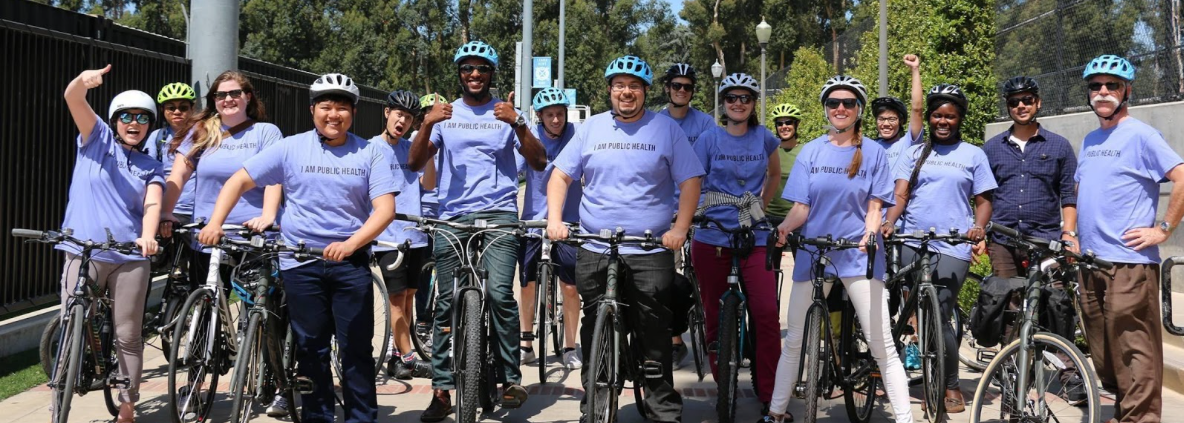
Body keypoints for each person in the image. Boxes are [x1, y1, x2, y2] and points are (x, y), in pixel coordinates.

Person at [196, 73, 400, 423]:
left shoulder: (370, 153)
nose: (333, 114)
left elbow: (385, 210)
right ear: (312, 110)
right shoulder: (291, 146)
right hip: (299, 263)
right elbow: (238, 180)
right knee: (311, 350)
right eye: (325, 107)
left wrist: (351, 244)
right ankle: (318, 417)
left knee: (355, 351)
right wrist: (215, 222)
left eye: (341, 108)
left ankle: (361, 418)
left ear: (353, 112)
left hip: (349, 264)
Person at [546, 55, 704, 423]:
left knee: (654, 329)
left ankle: (661, 407)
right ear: (609, 90)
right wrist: (555, 220)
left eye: (634, 86)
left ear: (646, 92)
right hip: (596, 246)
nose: (626, 92)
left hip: (649, 248)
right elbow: (559, 177)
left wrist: (679, 229)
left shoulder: (665, 130)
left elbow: (691, 180)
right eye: (619, 85)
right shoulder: (590, 129)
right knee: (594, 324)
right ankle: (596, 403)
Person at [406, 40, 547, 422]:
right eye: (467, 68)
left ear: (491, 74)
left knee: (501, 294)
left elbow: (538, 162)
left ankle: (509, 380)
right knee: (446, 303)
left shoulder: (506, 113)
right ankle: (441, 391)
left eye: (481, 68)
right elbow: (415, 162)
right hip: (452, 217)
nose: (474, 74)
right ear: (459, 73)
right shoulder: (444, 114)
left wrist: (517, 122)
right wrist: (428, 124)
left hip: (500, 214)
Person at [764, 74, 913, 423]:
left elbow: (876, 207)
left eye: (848, 103)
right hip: (815, 254)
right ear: (826, 109)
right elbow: (801, 207)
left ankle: (906, 418)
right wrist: (784, 229)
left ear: (858, 109)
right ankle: (776, 413)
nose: (841, 108)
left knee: (882, 346)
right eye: (834, 103)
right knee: (795, 341)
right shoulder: (812, 151)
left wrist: (869, 234)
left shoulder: (874, 152)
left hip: (858, 254)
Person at [1075, 54, 1184, 423]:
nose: (1102, 92)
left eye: (1112, 86)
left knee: (1135, 350)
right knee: (1104, 353)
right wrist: (1071, 233)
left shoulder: (1141, 134)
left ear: (1126, 91)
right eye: (1095, 86)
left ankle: (1142, 419)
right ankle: (1126, 412)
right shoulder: (1091, 139)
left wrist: (1163, 229)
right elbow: (1081, 191)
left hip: (1129, 262)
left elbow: (1182, 177)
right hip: (1090, 261)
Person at [59, 64, 163, 423]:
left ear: (149, 125)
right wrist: (81, 82)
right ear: (115, 120)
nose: (134, 123)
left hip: (130, 257)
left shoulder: (152, 165)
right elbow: (73, 99)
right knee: (70, 321)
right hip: (83, 250)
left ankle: (127, 406)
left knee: (127, 334)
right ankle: (64, 389)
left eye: (142, 118)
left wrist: (148, 235)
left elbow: (152, 204)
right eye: (126, 117)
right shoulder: (96, 138)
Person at [882, 83, 995, 414]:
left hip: (953, 244)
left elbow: (984, 199)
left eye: (950, 116)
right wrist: (889, 222)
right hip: (911, 240)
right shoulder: (915, 153)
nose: (942, 121)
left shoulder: (973, 154)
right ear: (930, 118)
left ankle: (951, 383)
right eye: (937, 115)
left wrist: (979, 227)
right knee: (915, 310)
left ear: (959, 119)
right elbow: (901, 195)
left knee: (940, 313)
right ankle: (902, 348)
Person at [980, 75, 1088, 402]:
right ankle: (1013, 372)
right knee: (1008, 307)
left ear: (1038, 103)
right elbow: (983, 196)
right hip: (1002, 238)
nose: (1021, 106)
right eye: (1014, 102)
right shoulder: (992, 148)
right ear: (1008, 107)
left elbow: (1069, 196)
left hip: (1046, 240)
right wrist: (980, 234)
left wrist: (1069, 234)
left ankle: (1070, 374)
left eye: (1027, 100)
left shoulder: (1058, 146)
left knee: (1057, 302)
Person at [689, 72, 781, 414]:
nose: (738, 104)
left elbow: (773, 174)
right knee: (714, 316)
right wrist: (690, 217)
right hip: (711, 235)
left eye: (745, 98)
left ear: (754, 104)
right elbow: (692, 180)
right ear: (723, 104)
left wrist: (761, 206)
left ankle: (772, 394)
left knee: (767, 315)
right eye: (732, 98)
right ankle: (723, 384)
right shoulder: (709, 139)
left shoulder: (765, 138)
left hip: (753, 236)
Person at [161, 71, 284, 288]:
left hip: (253, 234)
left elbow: (274, 179)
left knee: (259, 310)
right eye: (220, 95)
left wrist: (268, 216)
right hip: (208, 234)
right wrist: (165, 213)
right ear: (214, 100)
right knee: (205, 309)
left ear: (248, 96)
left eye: (234, 93)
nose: (228, 99)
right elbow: (178, 175)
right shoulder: (201, 132)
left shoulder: (266, 132)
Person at [516, 87, 585, 370]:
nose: (556, 120)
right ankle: (526, 342)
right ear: (540, 117)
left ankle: (570, 346)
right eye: (549, 115)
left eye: (560, 114)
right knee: (526, 284)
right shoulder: (531, 138)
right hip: (533, 221)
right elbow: (515, 170)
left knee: (570, 287)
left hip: (570, 222)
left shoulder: (577, 135)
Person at [371, 90, 436, 380]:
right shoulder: (370, 148)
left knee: (409, 298)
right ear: (387, 113)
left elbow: (430, 185)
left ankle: (398, 357)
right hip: (388, 236)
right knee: (397, 298)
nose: (402, 121)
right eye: (398, 114)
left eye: (409, 118)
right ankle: (409, 357)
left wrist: (430, 154)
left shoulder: (412, 148)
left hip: (415, 233)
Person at [657, 63, 716, 368]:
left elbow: (712, 167)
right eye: (676, 85)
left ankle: (720, 331)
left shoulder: (705, 124)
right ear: (667, 88)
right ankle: (675, 339)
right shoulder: (656, 122)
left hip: (701, 208)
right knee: (668, 278)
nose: (681, 91)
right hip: (665, 210)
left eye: (687, 87)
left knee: (710, 274)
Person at [146, 82, 198, 280]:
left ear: (192, 109)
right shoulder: (157, 137)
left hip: (195, 212)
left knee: (197, 269)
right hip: (167, 209)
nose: (177, 112)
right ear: (163, 110)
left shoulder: (203, 135)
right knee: (153, 264)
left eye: (183, 107)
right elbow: (150, 171)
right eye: (171, 107)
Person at [870, 54, 926, 161]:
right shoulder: (870, 146)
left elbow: (917, 108)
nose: (886, 124)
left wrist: (914, 69)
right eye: (881, 119)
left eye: (892, 119)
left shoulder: (908, 143)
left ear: (901, 121)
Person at [764, 103, 803, 228]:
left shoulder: (806, 151)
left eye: (788, 122)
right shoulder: (769, 151)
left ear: (796, 125)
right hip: (769, 217)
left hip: (796, 218)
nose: (784, 126)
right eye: (780, 124)